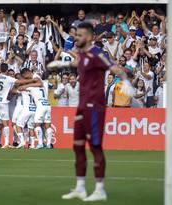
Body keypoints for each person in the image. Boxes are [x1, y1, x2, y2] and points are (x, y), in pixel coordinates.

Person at [55, 22, 126, 202]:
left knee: (95, 147)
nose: (76, 38)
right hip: (81, 106)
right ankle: (80, 188)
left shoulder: (97, 53)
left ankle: (100, 189)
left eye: (79, 35)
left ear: (88, 36)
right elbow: (80, 64)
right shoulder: (83, 55)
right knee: (77, 146)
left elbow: (113, 67)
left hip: (94, 107)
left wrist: (124, 78)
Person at [0, 63, 36, 149]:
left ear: (0, 69)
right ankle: (6, 144)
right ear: (6, 70)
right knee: (5, 124)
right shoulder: (9, 78)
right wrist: (32, 80)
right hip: (3, 103)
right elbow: (20, 81)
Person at [19, 68, 53, 149]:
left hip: (41, 106)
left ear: (26, 74)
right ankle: (48, 144)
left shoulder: (35, 79)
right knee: (47, 125)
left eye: (25, 77)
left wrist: (25, 86)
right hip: (47, 105)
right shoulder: (36, 84)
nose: (26, 79)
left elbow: (40, 83)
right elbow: (39, 83)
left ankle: (40, 144)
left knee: (37, 124)